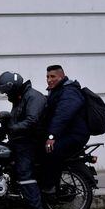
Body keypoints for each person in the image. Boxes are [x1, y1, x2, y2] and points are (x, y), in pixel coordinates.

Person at [0, 71, 47, 209]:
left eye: (6, 92)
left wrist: (11, 128)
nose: (6, 95)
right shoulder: (19, 98)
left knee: (24, 174)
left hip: (31, 142)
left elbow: (31, 121)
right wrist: (0, 129)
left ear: (13, 88)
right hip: (20, 140)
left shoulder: (33, 97)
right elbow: (15, 121)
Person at [41, 65, 90, 194]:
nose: (49, 80)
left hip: (75, 135)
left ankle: (50, 187)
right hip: (64, 133)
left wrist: (51, 136)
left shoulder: (69, 91)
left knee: (51, 151)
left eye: (53, 76)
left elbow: (62, 115)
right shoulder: (57, 91)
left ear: (61, 76)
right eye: (47, 77)